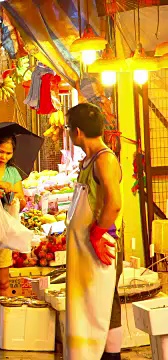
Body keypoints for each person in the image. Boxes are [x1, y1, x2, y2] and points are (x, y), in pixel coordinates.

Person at [65, 103, 122, 360]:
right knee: (95, 308)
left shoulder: (105, 159)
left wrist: (97, 234)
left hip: (102, 247)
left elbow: (114, 203)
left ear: (77, 132)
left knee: (105, 307)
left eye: (67, 128)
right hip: (84, 249)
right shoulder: (88, 161)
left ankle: (111, 357)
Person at [0, 134, 25, 296]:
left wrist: (15, 199)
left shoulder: (13, 172)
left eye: (8, 153)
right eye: (0, 151)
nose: (4, 157)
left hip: (4, 232)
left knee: (3, 282)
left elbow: (22, 201)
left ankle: (4, 318)